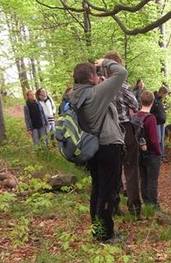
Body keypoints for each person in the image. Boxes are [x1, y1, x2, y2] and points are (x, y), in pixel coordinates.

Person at [71, 58, 126, 242]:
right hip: (107, 147)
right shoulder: (95, 94)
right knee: (107, 191)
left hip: (93, 148)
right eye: (96, 73)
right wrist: (106, 61)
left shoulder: (77, 94)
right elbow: (121, 73)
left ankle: (98, 230)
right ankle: (105, 234)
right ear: (91, 78)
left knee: (97, 189)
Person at [104, 51, 140, 217]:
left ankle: (113, 205)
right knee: (131, 169)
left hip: (107, 131)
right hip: (125, 129)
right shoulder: (123, 85)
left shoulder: (101, 86)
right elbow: (135, 104)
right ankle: (134, 207)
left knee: (112, 170)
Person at [133, 91, 162, 208]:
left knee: (144, 177)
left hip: (139, 153)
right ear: (152, 102)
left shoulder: (134, 116)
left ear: (140, 101)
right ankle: (153, 205)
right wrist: (159, 152)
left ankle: (145, 201)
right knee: (152, 180)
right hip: (151, 153)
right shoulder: (151, 118)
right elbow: (154, 140)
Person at [150, 86, 169, 161]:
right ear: (162, 92)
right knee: (158, 140)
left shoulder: (160, 99)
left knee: (162, 139)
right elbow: (151, 111)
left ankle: (162, 156)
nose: (165, 96)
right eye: (165, 94)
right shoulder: (153, 99)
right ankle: (157, 156)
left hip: (162, 122)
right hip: (157, 122)